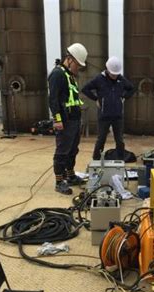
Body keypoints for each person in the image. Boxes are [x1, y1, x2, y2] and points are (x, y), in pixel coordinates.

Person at [48, 43, 88, 195]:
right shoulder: (57, 74)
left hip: (74, 119)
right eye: (77, 64)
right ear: (69, 59)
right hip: (64, 120)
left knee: (73, 149)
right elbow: (53, 100)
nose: (78, 68)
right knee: (62, 151)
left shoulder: (69, 75)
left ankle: (70, 175)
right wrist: (57, 119)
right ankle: (59, 181)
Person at [82, 56, 135, 160]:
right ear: (107, 70)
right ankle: (96, 160)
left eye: (116, 74)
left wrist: (124, 97)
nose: (114, 76)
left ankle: (120, 161)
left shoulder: (121, 79)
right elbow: (85, 89)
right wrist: (96, 98)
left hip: (118, 116)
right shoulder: (99, 79)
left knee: (119, 140)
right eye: (113, 74)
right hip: (104, 116)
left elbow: (132, 88)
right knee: (101, 139)